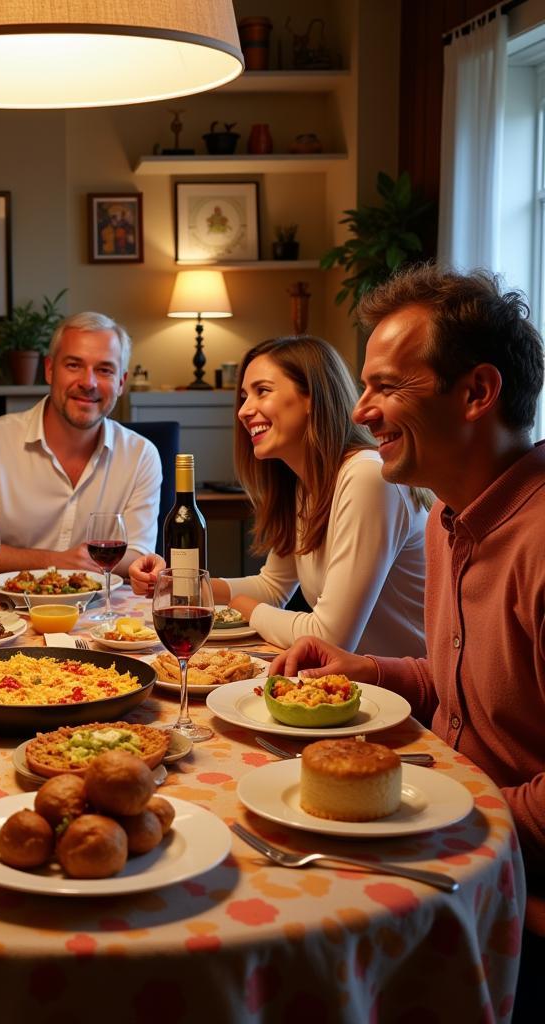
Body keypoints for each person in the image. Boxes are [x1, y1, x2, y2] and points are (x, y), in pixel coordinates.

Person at [269, 266, 544, 1022]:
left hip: (516, 896)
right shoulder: (445, 518)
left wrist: (447, 806)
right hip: (458, 840)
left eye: (386, 387)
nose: (360, 412)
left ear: (477, 393)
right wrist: (372, 670)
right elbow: (472, 683)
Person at [131, 334, 429, 656]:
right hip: (352, 687)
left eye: (262, 391)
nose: (244, 410)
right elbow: (272, 587)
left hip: (406, 699)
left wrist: (246, 607)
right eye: (244, 396)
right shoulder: (303, 485)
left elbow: (328, 639)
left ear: (312, 397)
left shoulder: (367, 477)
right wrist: (178, 585)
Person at [0, 311, 162, 577]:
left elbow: (139, 557)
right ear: (50, 370)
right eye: (74, 365)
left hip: (103, 614)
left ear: (121, 382)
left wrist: (78, 564)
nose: (88, 383)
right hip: (7, 611)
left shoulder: (141, 455)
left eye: (104, 370)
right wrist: (55, 562)